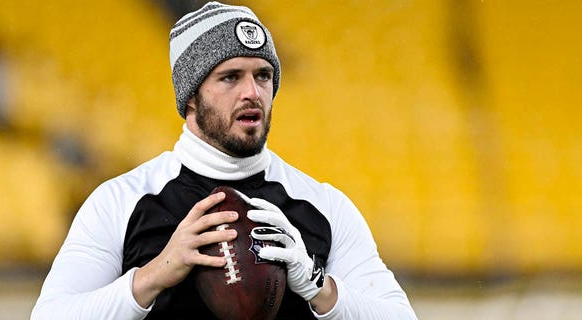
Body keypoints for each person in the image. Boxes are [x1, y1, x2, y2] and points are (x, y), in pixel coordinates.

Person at [31, 2, 417, 319]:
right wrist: (154, 275)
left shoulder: (322, 205)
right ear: (191, 98)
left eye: (263, 76)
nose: (252, 92)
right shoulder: (122, 202)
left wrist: (317, 285)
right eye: (230, 77)